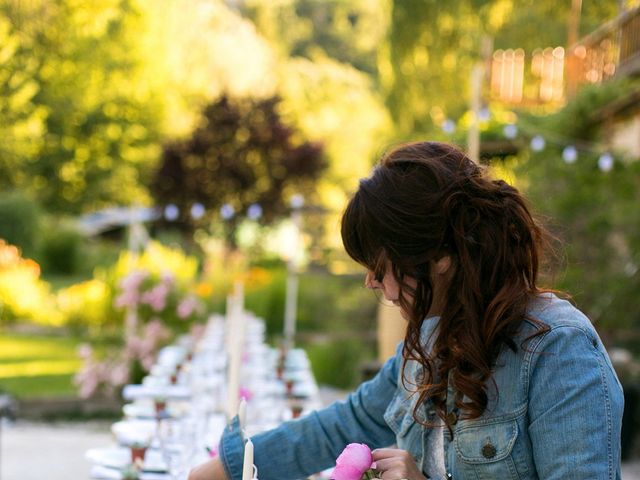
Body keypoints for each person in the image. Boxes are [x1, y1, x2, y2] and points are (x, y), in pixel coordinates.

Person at [189, 141, 624, 480]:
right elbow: (344, 425)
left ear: (440, 258)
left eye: (381, 265)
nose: (372, 281)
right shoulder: (435, 339)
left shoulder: (557, 352)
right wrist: (229, 465)